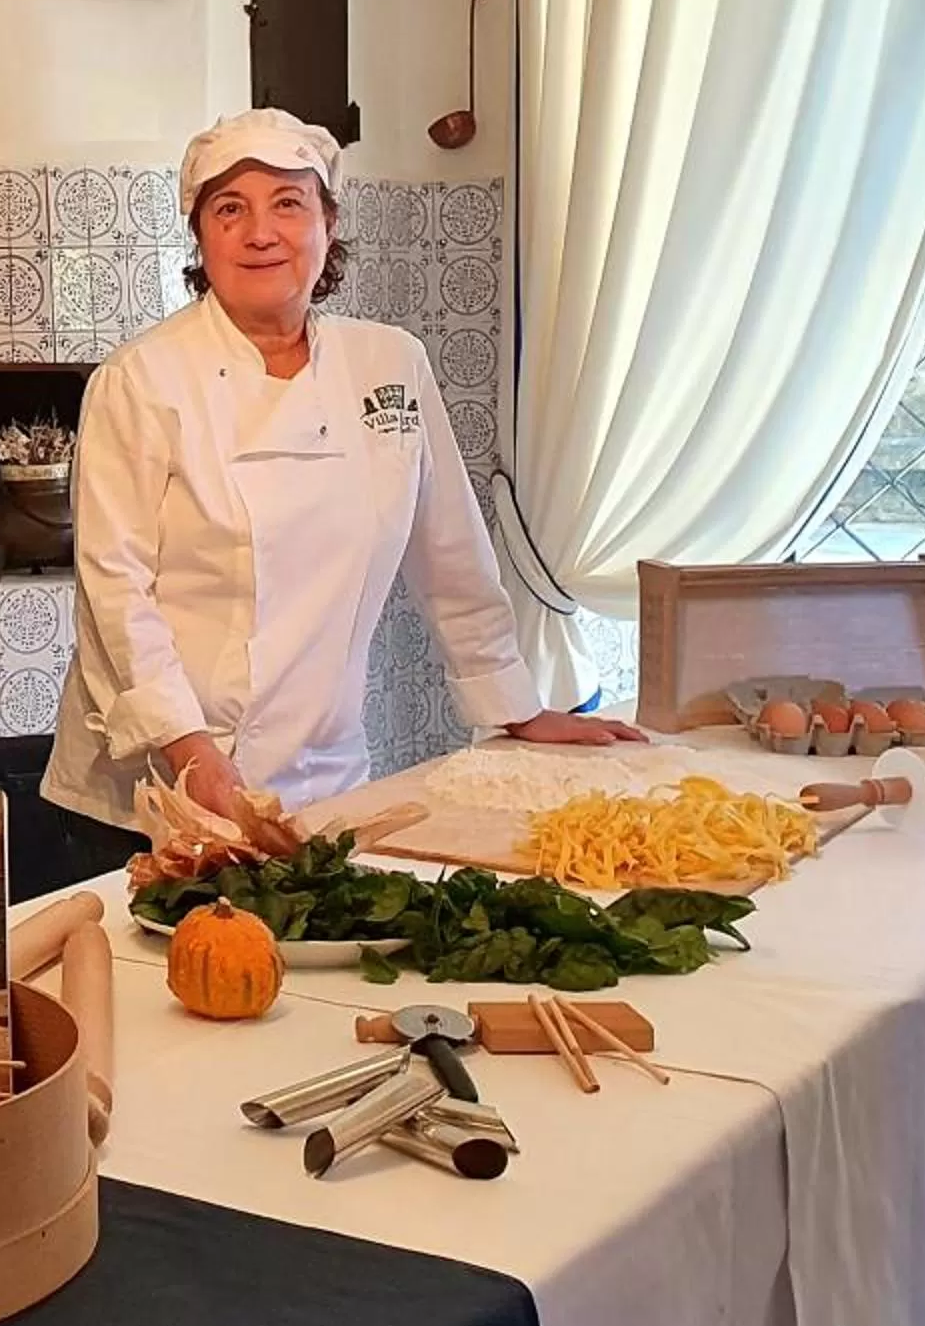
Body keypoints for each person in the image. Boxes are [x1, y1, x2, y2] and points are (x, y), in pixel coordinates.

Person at [44, 109, 639, 836]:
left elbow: (450, 550)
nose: (260, 232)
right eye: (230, 209)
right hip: (158, 790)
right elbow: (115, 589)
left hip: (327, 777)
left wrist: (515, 704)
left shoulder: (389, 363)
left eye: (288, 203)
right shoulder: (142, 378)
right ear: (200, 237)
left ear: (328, 223)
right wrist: (188, 748)